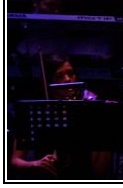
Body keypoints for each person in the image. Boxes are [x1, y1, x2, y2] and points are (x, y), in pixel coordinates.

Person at [9, 52, 112, 180]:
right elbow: (15, 160)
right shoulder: (37, 110)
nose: (68, 79)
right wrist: (35, 164)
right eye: (59, 76)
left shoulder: (87, 104)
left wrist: (105, 114)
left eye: (71, 73)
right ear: (49, 80)